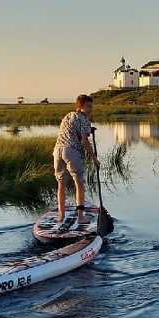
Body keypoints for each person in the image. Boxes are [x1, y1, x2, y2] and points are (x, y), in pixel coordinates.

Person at [53, 94, 97, 226]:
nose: (90, 109)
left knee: (61, 183)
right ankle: (81, 216)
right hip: (71, 150)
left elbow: (72, 130)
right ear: (81, 106)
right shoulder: (83, 118)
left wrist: (89, 130)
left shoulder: (68, 116)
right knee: (79, 183)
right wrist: (94, 158)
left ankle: (60, 215)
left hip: (57, 151)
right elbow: (84, 141)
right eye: (88, 106)